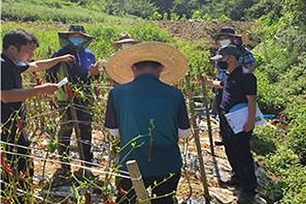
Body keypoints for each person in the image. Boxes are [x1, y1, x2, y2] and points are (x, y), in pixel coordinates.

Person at [104, 42, 190, 204]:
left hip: (131, 164)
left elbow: (113, 132)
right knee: (164, 201)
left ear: (133, 69)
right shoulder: (175, 94)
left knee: (127, 201)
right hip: (167, 163)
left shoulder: (117, 94)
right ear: (160, 70)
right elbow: (184, 133)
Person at [1, 28, 75, 202]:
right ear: (13, 49)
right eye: (29, 50)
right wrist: (39, 90)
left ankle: (19, 192)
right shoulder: (2, 65)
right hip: (5, 125)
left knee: (21, 158)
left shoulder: (12, 63)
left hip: (15, 123)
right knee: (14, 160)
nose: (32, 54)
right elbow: (5, 96)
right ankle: (15, 194)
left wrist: (60, 58)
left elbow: (36, 66)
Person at [46, 25, 100, 179]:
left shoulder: (89, 55)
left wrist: (95, 74)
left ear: (84, 39)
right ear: (68, 38)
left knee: (85, 129)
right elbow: (49, 76)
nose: (76, 39)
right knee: (66, 129)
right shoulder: (60, 54)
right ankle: (64, 164)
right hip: (66, 98)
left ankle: (86, 165)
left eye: (79, 37)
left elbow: (94, 79)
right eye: (73, 36)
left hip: (85, 98)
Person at [211, 45, 258, 204]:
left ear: (230, 58)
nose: (219, 63)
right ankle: (237, 178)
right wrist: (208, 81)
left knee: (242, 152)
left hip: (240, 120)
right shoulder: (228, 74)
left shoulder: (246, 76)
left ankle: (249, 188)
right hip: (226, 119)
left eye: (220, 60)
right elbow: (222, 85)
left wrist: (250, 121)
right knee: (230, 149)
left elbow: (252, 99)